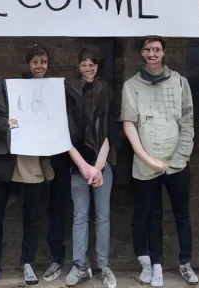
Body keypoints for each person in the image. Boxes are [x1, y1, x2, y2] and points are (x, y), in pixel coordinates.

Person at [121, 36, 197, 288]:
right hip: (145, 165)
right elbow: (129, 123)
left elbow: (187, 121)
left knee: (182, 214)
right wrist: (148, 159)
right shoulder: (131, 85)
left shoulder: (180, 82)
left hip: (176, 163)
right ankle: (156, 266)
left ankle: (185, 263)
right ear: (142, 53)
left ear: (164, 52)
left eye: (157, 49)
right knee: (152, 215)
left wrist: (178, 158)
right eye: (147, 49)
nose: (152, 53)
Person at [0, 45, 58, 287]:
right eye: (36, 61)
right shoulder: (8, 87)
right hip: (6, 160)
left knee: (32, 217)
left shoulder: (52, 92)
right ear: (28, 64)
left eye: (44, 62)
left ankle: (28, 262)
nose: (40, 66)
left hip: (33, 162)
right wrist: (13, 123)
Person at [64, 45, 117, 288]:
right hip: (77, 165)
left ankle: (103, 265)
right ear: (79, 66)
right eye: (84, 63)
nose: (88, 67)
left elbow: (110, 131)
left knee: (103, 216)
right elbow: (64, 133)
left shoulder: (105, 90)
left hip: (102, 164)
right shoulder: (70, 90)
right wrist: (84, 167)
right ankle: (79, 265)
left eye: (92, 63)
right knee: (79, 216)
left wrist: (97, 167)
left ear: (97, 66)